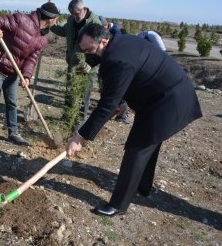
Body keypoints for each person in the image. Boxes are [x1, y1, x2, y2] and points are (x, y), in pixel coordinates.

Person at [66, 24, 202, 217]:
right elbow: (122, 83)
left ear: (104, 41)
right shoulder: (119, 41)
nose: (89, 55)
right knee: (149, 141)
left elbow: (106, 104)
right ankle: (142, 186)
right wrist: (120, 102)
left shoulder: (117, 59)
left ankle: (119, 205)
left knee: (137, 149)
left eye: (90, 50)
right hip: (160, 96)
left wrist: (80, 137)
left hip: (168, 101)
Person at [0, 2, 60, 146]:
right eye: (57, 18)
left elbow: (32, 59)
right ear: (51, 18)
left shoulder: (42, 38)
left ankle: (13, 133)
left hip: (14, 73)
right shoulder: (21, 19)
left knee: (12, 102)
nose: (57, 21)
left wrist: (27, 76)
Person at [50, 0, 102, 117]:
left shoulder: (94, 22)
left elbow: (99, 46)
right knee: (69, 92)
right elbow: (64, 31)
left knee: (83, 95)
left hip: (87, 66)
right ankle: (67, 118)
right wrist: (51, 25)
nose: (74, 16)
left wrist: (90, 63)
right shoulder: (71, 19)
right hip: (73, 63)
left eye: (76, 13)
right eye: (72, 13)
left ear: (84, 9)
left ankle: (80, 122)